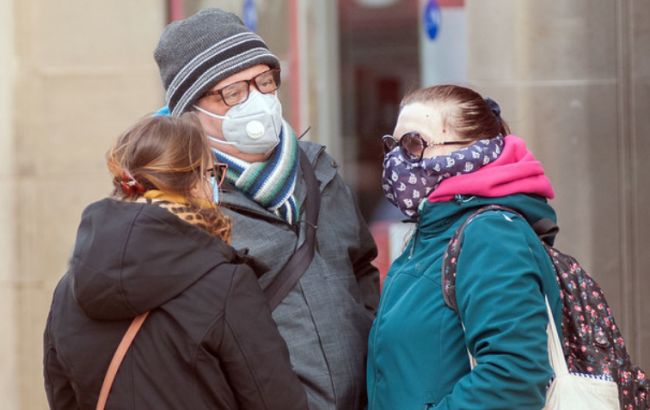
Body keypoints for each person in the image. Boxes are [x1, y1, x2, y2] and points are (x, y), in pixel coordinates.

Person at [153, 9, 380, 409]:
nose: (257, 100)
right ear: (191, 112)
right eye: (232, 92)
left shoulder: (319, 169)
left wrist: (371, 343)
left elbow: (361, 267)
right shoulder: (183, 203)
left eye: (264, 81)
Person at [43, 114, 308, 409]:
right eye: (212, 173)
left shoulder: (68, 291)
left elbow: (62, 398)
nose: (215, 185)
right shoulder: (225, 286)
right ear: (194, 183)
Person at [366, 84, 563, 409]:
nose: (397, 161)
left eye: (413, 144)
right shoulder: (432, 235)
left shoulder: (492, 235)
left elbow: (515, 376)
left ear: (474, 151)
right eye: (393, 145)